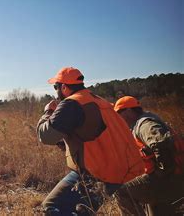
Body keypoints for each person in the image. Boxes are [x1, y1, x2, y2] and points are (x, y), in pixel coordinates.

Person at [36, 67, 144, 215]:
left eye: (56, 87)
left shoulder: (71, 103)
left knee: (51, 207)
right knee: (82, 211)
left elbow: (46, 136)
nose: (56, 91)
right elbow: (93, 135)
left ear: (64, 87)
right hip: (117, 172)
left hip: (97, 172)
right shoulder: (98, 100)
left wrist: (48, 112)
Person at [113, 96, 184, 216]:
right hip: (173, 175)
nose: (118, 118)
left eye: (119, 113)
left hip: (172, 178)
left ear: (129, 111)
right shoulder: (141, 122)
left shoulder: (144, 124)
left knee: (121, 191)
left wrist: (161, 173)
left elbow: (162, 144)